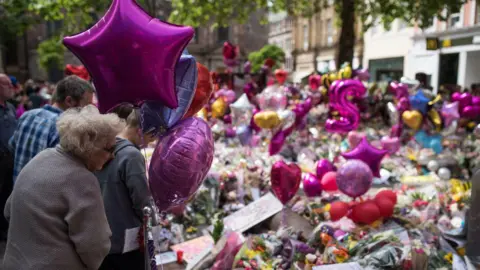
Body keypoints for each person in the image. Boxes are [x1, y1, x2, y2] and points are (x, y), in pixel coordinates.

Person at [3, 105, 125, 270]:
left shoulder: (42, 157)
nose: (113, 155)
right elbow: (95, 244)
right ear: (89, 147)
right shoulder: (82, 179)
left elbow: (9, 210)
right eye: (110, 148)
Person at [96, 106, 155, 270]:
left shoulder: (107, 146)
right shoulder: (132, 155)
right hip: (125, 241)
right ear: (140, 131)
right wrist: (155, 225)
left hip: (103, 237)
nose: (150, 142)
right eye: (151, 136)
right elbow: (142, 202)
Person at [9, 75, 94, 181]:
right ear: (69, 101)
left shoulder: (27, 115)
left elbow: (12, 147)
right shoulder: (65, 129)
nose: (89, 110)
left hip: (18, 192)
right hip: (44, 195)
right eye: (87, 104)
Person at [0, 74, 17, 238]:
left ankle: (4, 227)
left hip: (10, 158)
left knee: (7, 192)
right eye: (7, 85)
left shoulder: (11, 108)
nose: (11, 88)